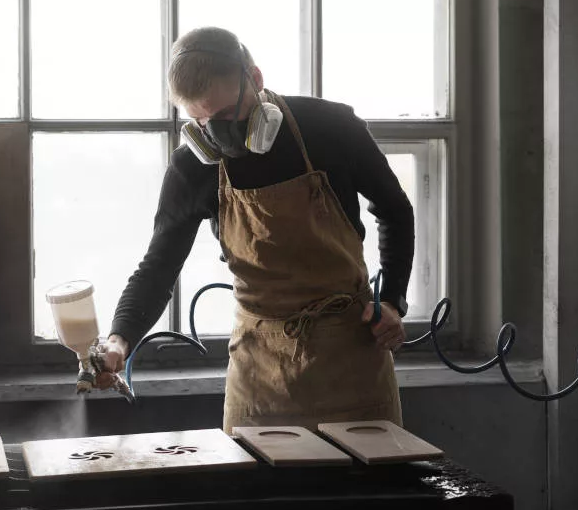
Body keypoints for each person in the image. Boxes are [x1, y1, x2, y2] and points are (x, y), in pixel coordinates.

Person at [96, 27, 415, 433]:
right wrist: (119, 339)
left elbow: (395, 210)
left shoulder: (332, 127)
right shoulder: (193, 167)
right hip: (259, 370)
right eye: (201, 122)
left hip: (350, 356)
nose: (219, 135)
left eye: (228, 116)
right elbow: (159, 267)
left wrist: (392, 300)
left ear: (256, 78)